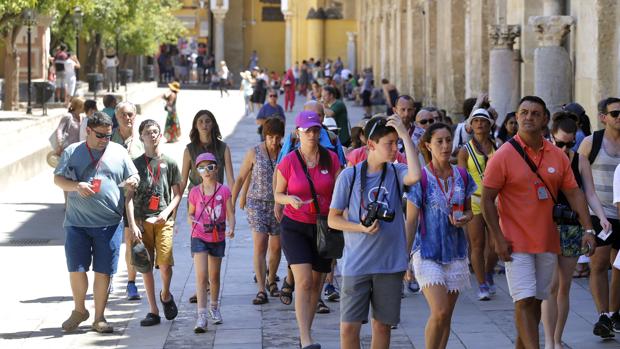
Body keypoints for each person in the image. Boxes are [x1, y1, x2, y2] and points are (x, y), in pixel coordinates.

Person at [482, 96, 596, 349]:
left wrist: (588, 229)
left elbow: (575, 193)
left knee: (535, 303)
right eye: (523, 112)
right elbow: (487, 199)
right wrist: (497, 237)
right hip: (515, 240)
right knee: (523, 300)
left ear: (545, 119)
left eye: (535, 113)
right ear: (517, 116)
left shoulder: (557, 155)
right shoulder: (502, 155)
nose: (528, 117)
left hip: (547, 240)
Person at [328, 115, 421, 349]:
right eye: (388, 144)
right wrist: (359, 227)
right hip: (355, 264)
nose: (394, 148)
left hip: (389, 265)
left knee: (382, 326)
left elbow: (416, 175)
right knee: (348, 328)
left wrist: (403, 135)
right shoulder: (349, 176)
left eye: (396, 143)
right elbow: (333, 219)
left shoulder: (396, 171)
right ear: (371, 145)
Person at [54, 111, 139, 333]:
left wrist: (132, 181)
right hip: (76, 223)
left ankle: (99, 317)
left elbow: (134, 175)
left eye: (108, 136)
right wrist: (76, 186)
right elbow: (58, 178)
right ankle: (79, 310)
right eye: (100, 135)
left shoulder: (118, 152)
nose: (104, 140)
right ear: (88, 131)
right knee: (76, 269)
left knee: (104, 271)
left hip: (109, 223)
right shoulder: (73, 151)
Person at [541, 111, 611, 348]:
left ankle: (558, 339)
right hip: (547, 227)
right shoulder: (542, 158)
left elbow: (589, 193)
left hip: (571, 227)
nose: (563, 148)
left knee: (564, 287)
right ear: (551, 137)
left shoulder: (579, 160)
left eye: (569, 143)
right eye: (559, 143)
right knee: (550, 286)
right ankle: (550, 341)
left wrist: (601, 218)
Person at [274, 110, 341, 349]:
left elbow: (341, 190)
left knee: (316, 283)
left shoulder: (331, 159)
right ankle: (305, 339)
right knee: (303, 282)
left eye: (316, 130)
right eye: (308, 131)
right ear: (298, 133)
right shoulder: (289, 161)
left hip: (324, 228)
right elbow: (278, 194)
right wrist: (289, 199)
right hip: (295, 226)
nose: (312, 134)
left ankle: (307, 330)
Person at [407, 122, 476, 349]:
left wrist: (465, 218)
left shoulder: (463, 176)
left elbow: (469, 210)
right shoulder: (421, 178)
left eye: (448, 140)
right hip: (427, 252)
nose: (446, 146)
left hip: (455, 252)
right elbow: (411, 220)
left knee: (446, 317)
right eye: (439, 141)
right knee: (440, 310)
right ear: (428, 144)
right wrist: (404, 258)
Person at [125, 119, 182, 327]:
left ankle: (165, 295)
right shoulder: (136, 165)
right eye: (148, 132)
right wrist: (132, 225)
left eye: (156, 131)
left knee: (165, 265)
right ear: (141, 137)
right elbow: (129, 198)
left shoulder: (170, 162)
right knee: (145, 265)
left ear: (161, 135)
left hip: (163, 220)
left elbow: (177, 194)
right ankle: (153, 310)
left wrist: (167, 213)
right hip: (141, 221)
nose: (152, 135)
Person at [577, 97, 620, 338]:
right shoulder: (591, 143)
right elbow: (580, 184)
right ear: (603, 117)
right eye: (615, 113)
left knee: (619, 267)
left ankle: (615, 312)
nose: (619, 117)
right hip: (600, 213)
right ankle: (603, 315)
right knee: (600, 263)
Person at [232, 117, 285, 304]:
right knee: (260, 244)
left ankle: (272, 280)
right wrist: (235, 199)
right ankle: (262, 289)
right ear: (265, 136)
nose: (274, 141)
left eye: (278, 137)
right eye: (271, 137)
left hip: (278, 205)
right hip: (257, 204)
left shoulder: (285, 153)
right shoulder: (254, 152)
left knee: (277, 247)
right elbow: (241, 177)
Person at [188, 152, 235, 332]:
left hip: (217, 237)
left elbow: (230, 213)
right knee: (201, 276)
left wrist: (232, 227)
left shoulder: (224, 191)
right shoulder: (194, 192)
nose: (206, 171)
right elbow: (190, 213)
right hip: (199, 235)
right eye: (202, 167)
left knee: (214, 277)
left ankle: (214, 307)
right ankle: (201, 316)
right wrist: (190, 219)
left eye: (210, 167)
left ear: (216, 169)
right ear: (197, 171)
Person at [456, 108, 498, 301]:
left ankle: (488, 272)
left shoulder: (498, 146)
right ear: (471, 126)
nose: (480, 124)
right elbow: (462, 178)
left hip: (496, 200)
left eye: (484, 121)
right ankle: (482, 283)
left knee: (496, 245)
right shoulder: (465, 151)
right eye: (476, 121)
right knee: (477, 244)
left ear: (490, 125)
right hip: (474, 199)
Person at [110, 101, 145, 300]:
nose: (128, 118)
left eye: (131, 114)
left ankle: (131, 283)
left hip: (134, 200)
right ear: (117, 117)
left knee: (132, 240)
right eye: (123, 115)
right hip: (112, 199)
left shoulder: (141, 140)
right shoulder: (108, 139)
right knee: (111, 243)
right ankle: (108, 278)